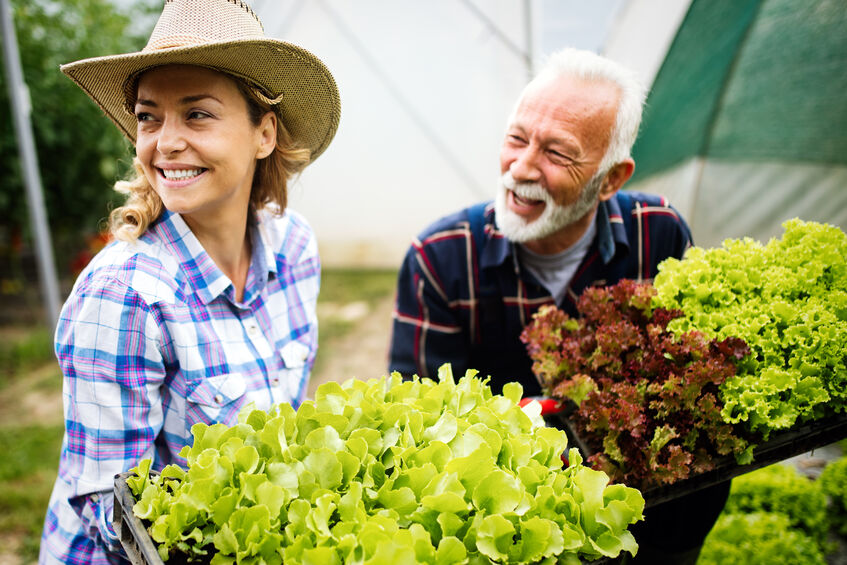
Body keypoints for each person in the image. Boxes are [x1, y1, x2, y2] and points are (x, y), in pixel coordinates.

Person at [388, 47, 725, 564]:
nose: (520, 168)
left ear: (611, 179)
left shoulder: (657, 233)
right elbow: (421, 424)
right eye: (516, 138)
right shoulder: (441, 258)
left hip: (650, 522)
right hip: (515, 537)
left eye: (557, 153)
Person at [39, 0, 340, 562]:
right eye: (149, 117)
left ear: (264, 133)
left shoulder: (293, 246)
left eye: (196, 114)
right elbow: (114, 510)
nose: (164, 142)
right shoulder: (126, 292)